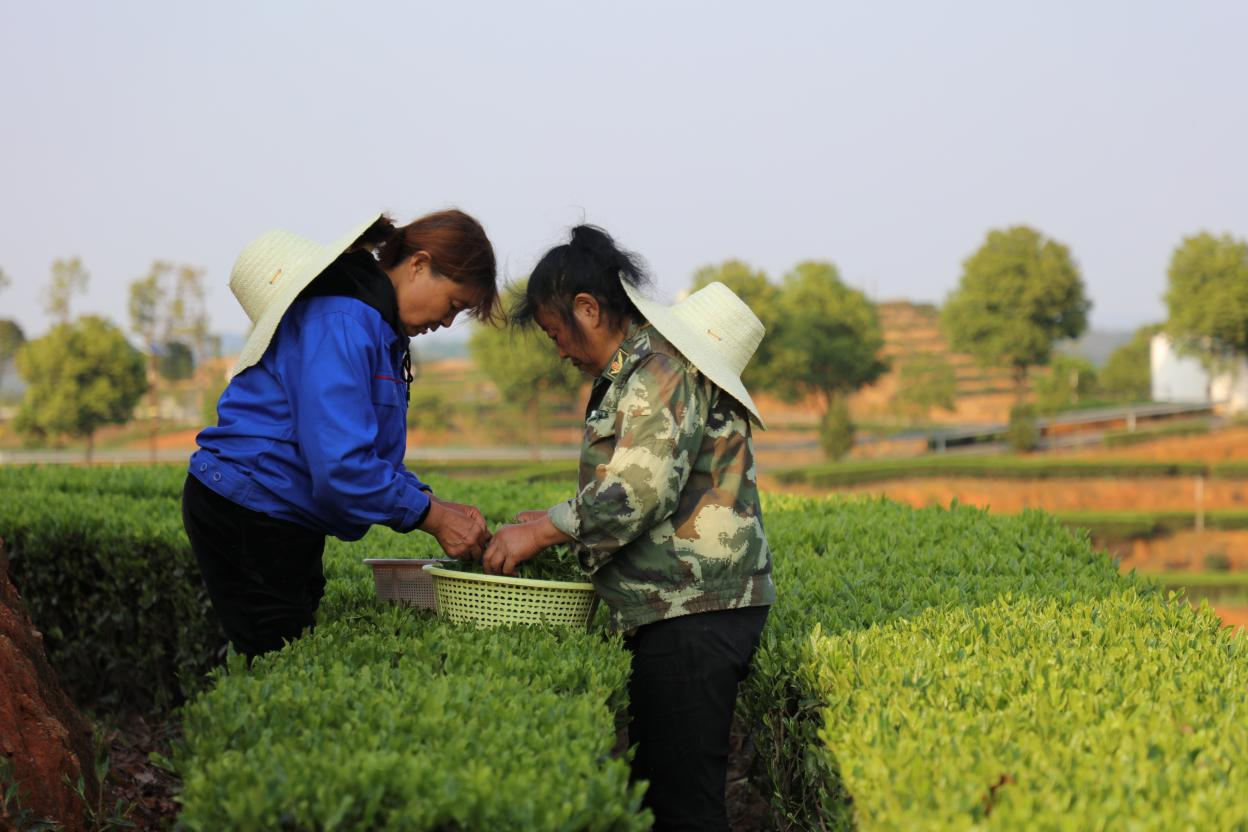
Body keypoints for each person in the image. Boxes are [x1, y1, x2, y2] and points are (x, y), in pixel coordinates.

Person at [482, 225, 775, 831]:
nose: (560, 350)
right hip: (680, 611)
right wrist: (558, 521)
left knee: (683, 808)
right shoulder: (637, 371)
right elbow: (638, 482)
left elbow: (639, 491)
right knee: (665, 794)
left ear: (588, 309)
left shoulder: (659, 370)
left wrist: (539, 535)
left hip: (692, 614)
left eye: (556, 332)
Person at [183, 210, 497, 659]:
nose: (446, 323)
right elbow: (341, 467)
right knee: (276, 655)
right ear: (419, 265)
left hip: (279, 512)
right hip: (249, 510)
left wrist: (437, 504)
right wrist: (434, 518)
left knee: (287, 644)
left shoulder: (376, 326)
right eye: (453, 305)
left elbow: (367, 457)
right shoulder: (342, 320)